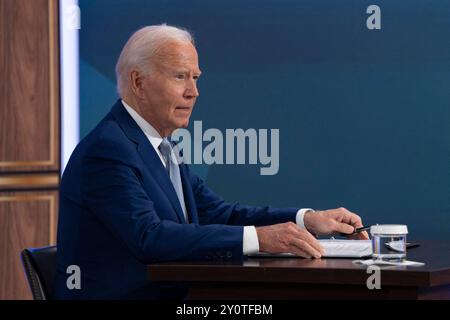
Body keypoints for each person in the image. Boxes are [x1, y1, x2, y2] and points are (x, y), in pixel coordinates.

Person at [54, 24, 368, 300]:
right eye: (180, 77)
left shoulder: (158, 144)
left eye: (195, 78)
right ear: (138, 83)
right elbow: (149, 237)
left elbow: (216, 213)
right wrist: (260, 238)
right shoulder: (108, 150)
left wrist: (307, 220)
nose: (193, 92)